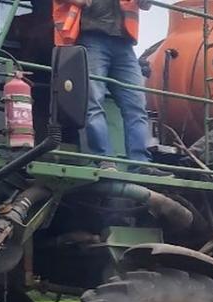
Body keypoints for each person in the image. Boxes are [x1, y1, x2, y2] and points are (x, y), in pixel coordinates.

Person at [53, 0, 168, 175]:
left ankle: (140, 163)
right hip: (92, 36)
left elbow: (145, 5)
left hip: (123, 42)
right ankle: (105, 159)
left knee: (136, 105)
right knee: (93, 103)